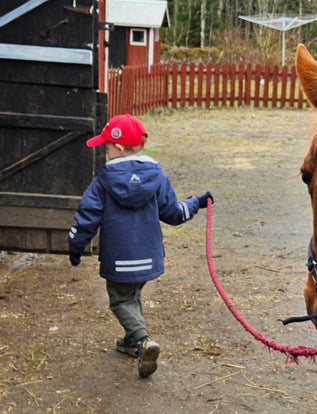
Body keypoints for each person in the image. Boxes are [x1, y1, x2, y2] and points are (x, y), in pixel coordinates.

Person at [68, 113, 211, 378]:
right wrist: (196, 202)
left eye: (106, 146)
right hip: (149, 259)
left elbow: (86, 217)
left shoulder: (103, 181)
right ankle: (130, 341)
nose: (105, 151)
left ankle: (143, 341)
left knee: (121, 299)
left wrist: (75, 246)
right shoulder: (156, 176)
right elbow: (174, 213)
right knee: (132, 295)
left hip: (118, 259)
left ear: (119, 148)